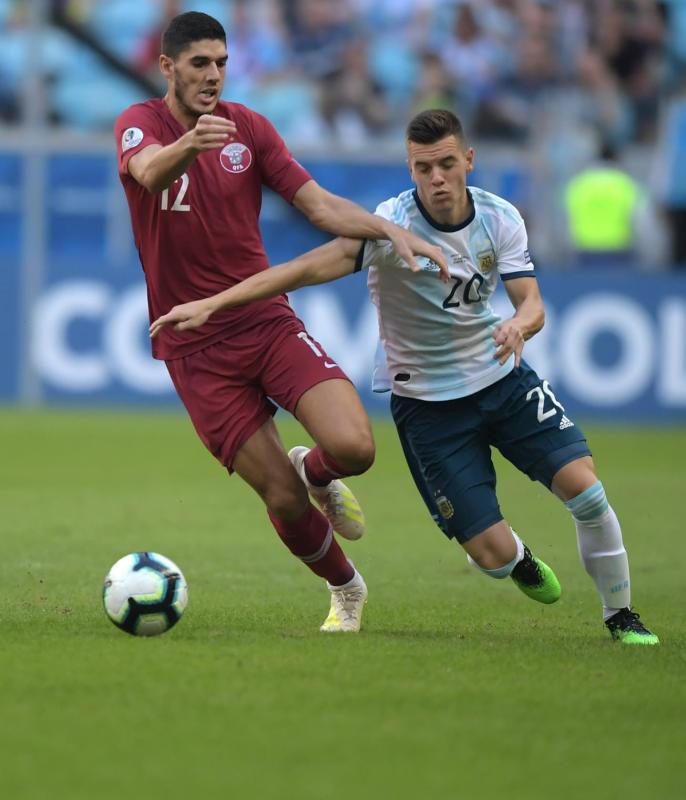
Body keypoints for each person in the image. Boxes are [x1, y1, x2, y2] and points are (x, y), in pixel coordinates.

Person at [151, 109, 659, 646]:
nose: (436, 178)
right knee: (493, 558)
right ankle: (516, 558)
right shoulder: (390, 227)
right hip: (429, 407)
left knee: (587, 491)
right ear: (410, 169)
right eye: (423, 168)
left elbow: (531, 303)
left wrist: (519, 325)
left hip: (502, 380)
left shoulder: (500, 217)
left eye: (446, 164)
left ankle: (621, 616)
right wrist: (214, 303)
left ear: (468, 160)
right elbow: (304, 269)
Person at [114, 12, 448, 634]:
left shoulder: (250, 128)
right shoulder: (140, 123)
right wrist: (192, 143)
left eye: (221, 63)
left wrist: (389, 230)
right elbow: (149, 171)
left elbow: (319, 206)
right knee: (283, 499)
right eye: (199, 63)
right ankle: (346, 588)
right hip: (194, 348)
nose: (213, 75)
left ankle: (314, 469)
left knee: (354, 447)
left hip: (264, 320)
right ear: (167, 68)